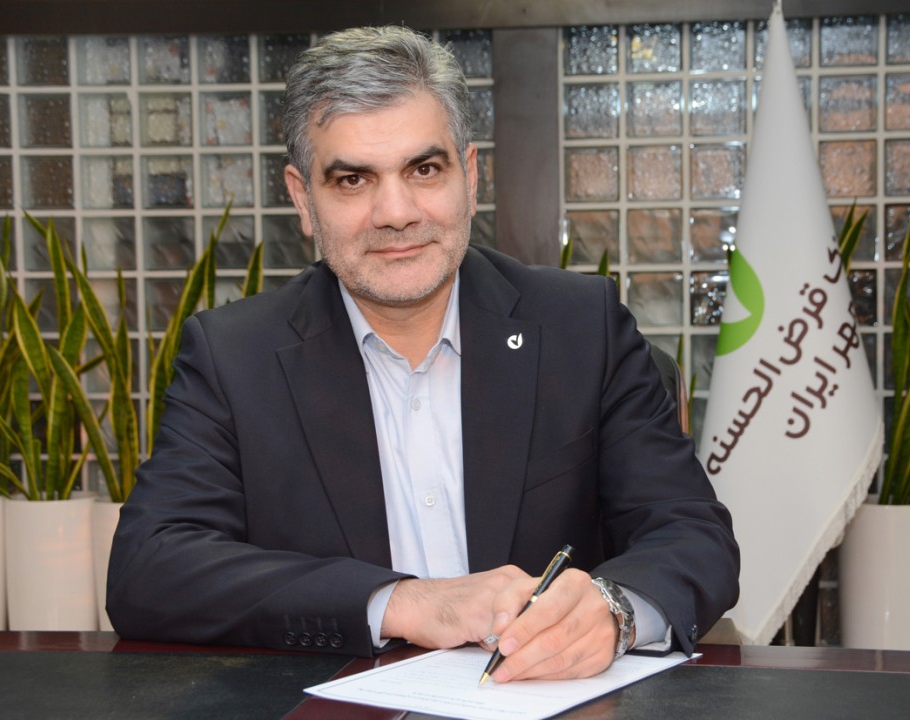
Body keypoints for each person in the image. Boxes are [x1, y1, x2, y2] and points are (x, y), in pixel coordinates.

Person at [107, 25, 739, 683]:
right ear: (303, 199)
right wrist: (404, 603)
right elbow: (149, 568)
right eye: (353, 179)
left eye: (424, 169)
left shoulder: (581, 328)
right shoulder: (234, 357)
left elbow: (691, 536)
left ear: (470, 175)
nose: (396, 212)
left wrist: (615, 612)